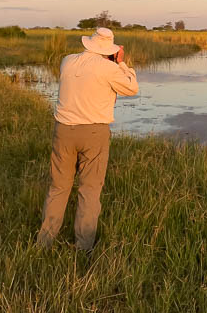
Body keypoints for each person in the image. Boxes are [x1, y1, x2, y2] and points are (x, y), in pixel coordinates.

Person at [36, 27, 139, 250]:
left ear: (89, 43)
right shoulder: (109, 68)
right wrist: (121, 62)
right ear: (111, 49)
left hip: (63, 130)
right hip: (94, 133)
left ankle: (44, 241)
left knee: (58, 187)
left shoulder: (67, 61)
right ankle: (84, 246)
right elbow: (132, 88)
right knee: (90, 190)